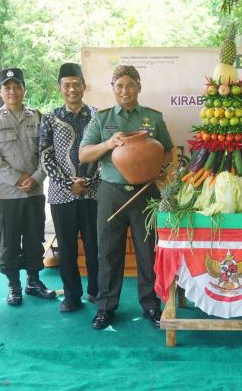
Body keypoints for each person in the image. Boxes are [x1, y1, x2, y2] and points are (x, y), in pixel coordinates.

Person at [79, 65, 173, 330]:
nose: (124, 90)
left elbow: (167, 150)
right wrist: (109, 144)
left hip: (145, 192)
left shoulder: (152, 118)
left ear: (139, 87)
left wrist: (159, 168)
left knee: (148, 252)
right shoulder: (102, 119)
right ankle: (106, 307)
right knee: (108, 251)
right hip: (111, 192)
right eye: (119, 85)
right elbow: (83, 154)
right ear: (112, 88)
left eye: (130, 85)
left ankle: (151, 305)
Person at [0, 68, 56, 306]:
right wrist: (15, 178)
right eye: (7, 87)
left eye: (17, 86)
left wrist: (36, 177)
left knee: (34, 239)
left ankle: (33, 281)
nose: (12, 91)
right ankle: (14, 286)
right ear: (0, 91)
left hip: (34, 191)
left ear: (24, 89)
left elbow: (48, 152)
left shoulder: (38, 117)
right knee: (8, 241)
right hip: (7, 195)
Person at [40, 63, 100, 312]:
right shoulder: (50, 118)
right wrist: (68, 183)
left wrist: (90, 183)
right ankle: (72, 296)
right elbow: (45, 156)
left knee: (94, 245)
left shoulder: (98, 116)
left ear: (84, 86)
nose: (72, 89)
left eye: (77, 84)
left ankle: (97, 292)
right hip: (61, 195)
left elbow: (106, 154)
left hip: (94, 192)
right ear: (60, 88)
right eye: (67, 85)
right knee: (66, 246)